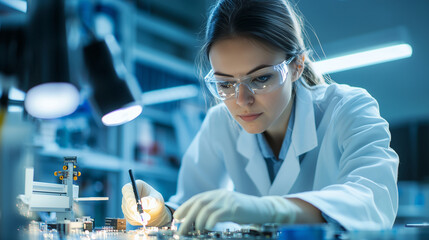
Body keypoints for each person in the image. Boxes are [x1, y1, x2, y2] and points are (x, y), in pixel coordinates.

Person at [121, 0, 399, 235]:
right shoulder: (220, 123)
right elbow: (192, 205)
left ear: (296, 66)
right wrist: (162, 212)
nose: (242, 101)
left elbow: (374, 200)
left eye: (262, 78)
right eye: (225, 84)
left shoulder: (349, 109)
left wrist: (271, 209)